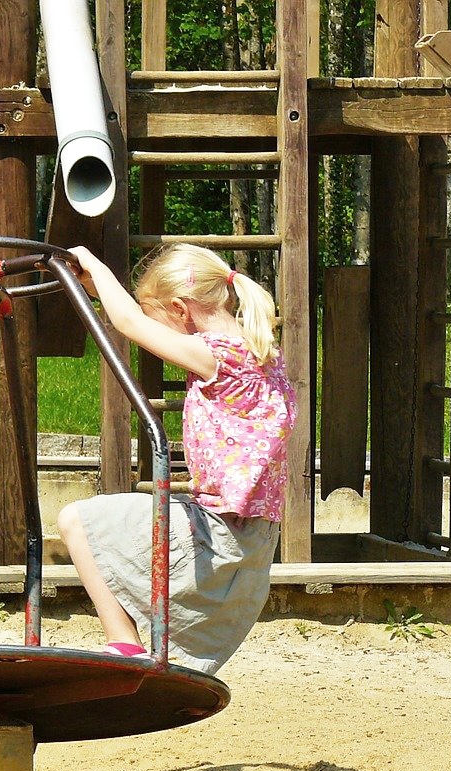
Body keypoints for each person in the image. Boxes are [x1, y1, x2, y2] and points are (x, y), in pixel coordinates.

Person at [58, 243, 296, 675]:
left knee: (77, 520)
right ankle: (136, 648)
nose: (157, 333)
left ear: (180, 309)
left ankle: (123, 644)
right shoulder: (260, 353)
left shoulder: (216, 356)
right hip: (255, 537)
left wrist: (95, 262)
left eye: (158, 318)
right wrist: (96, 287)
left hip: (217, 532)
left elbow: (127, 322)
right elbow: (131, 314)